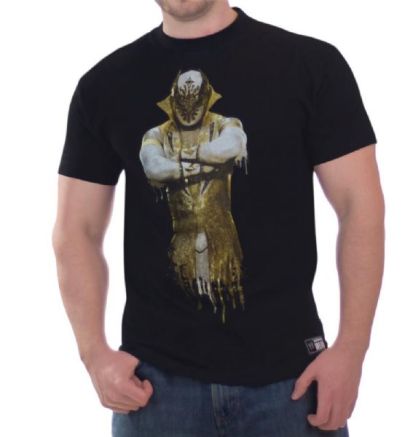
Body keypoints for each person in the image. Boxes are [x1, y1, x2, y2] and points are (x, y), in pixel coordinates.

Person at [52, 1, 385, 436]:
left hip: (289, 384)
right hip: (155, 390)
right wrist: (94, 354)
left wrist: (351, 350)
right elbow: (76, 230)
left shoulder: (308, 66)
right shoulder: (105, 85)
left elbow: (360, 207)